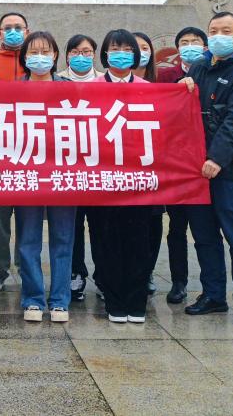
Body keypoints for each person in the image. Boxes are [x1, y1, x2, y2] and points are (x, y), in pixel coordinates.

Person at [183, 11, 233, 328]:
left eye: (226, 31)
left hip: (228, 168)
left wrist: (217, 158)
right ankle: (213, 294)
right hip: (194, 169)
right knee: (204, 236)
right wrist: (182, 86)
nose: (218, 36)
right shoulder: (200, 67)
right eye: (213, 30)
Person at [90, 29, 156, 323]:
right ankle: (114, 300)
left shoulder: (148, 88)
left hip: (137, 179)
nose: (121, 54)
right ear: (105, 54)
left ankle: (136, 300)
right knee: (105, 240)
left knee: (138, 240)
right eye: (115, 48)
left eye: (127, 49)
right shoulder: (90, 88)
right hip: (102, 178)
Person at [14, 31, 76, 323]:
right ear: (24, 57)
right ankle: (33, 299)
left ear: (55, 56)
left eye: (46, 51)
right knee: (28, 240)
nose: (40, 57)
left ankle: (60, 300)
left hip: (62, 173)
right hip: (26, 173)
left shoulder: (69, 88)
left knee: (63, 238)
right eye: (33, 52)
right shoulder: (12, 89)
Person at [156, 25, 208, 304]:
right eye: (184, 42)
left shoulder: (213, 72)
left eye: (195, 41)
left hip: (206, 161)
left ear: (205, 46)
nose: (190, 46)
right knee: (177, 226)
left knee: (204, 229)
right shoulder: (165, 76)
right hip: (175, 162)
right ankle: (179, 282)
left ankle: (211, 285)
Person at [0, 12, 29, 290]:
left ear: (27, 31)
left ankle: (25, 267)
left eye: (18, 27)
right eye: (8, 28)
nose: (13, 32)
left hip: (29, 152)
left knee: (27, 218)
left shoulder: (36, 62)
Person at [60, 34, 102, 301]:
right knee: (71, 226)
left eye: (86, 52)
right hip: (67, 166)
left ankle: (104, 275)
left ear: (94, 54)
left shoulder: (106, 82)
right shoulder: (57, 81)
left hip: (98, 163)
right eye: (75, 52)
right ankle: (76, 273)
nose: (81, 56)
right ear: (66, 55)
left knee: (99, 224)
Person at [132, 31, 163, 296]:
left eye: (144, 47)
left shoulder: (163, 81)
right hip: (119, 164)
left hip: (153, 164)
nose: (138, 52)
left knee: (152, 220)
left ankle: (147, 271)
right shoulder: (106, 83)